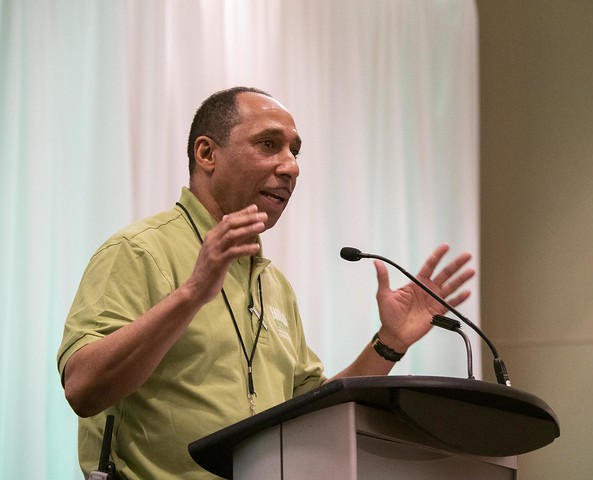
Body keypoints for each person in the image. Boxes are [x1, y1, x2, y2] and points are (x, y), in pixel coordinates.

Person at [57, 86, 475, 479]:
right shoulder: (138, 251)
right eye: (269, 145)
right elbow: (83, 388)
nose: (291, 167)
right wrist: (192, 293)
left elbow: (310, 412)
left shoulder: (273, 283)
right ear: (207, 153)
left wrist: (389, 342)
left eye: (295, 151)